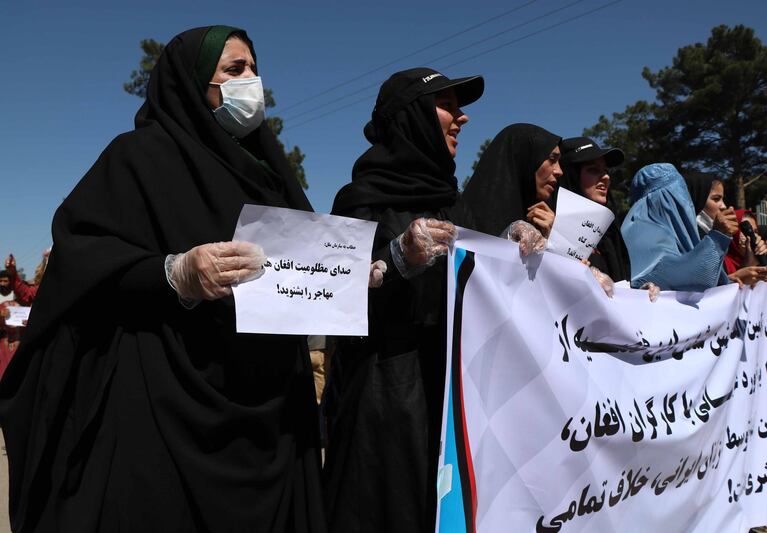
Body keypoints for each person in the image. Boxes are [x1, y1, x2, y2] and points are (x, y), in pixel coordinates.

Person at [0, 26, 325, 532]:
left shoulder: (268, 174)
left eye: (255, 70)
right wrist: (173, 274)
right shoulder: (138, 159)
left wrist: (360, 271)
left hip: (271, 416)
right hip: (166, 401)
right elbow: (83, 259)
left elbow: (308, 264)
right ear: (191, 83)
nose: (251, 82)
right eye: (235, 70)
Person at [324, 67, 484, 533]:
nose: (462, 118)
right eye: (448, 106)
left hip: (449, 398)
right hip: (383, 400)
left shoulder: (455, 204)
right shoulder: (360, 199)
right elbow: (329, 294)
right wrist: (395, 259)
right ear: (411, 116)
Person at [621, 163, 739, 291]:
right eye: (678, 196)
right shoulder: (640, 236)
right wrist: (717, 238)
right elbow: (685, 279)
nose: (686, 204)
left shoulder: (680, 235)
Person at [462, 123, 562, 239]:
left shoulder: (544, 226)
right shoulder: (459, 220)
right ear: (524, 160)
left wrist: (553, 240)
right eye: (552, 159)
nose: (559, 171)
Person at [558, 136, 630, 282]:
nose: (605, 177)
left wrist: (640, 293)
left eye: (606, 170)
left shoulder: (609, 232)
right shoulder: (549, 228)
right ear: (571, 175)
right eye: (593, 170)